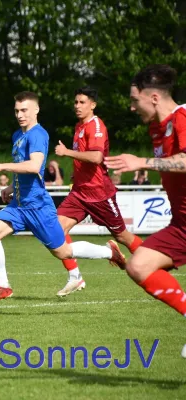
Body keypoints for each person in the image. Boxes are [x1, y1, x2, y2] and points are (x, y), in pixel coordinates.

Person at [0, 91, 127, 305]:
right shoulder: (17, 135)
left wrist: (0, 166)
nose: (20, 115)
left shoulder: (38, 135)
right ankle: (3, 286)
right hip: (19, 205)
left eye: (24, 110)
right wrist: (12, 187)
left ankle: (108, 252)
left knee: (63, 252)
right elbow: (25, 169)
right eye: (17, 111)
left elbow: (34, 166)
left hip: (38, 206)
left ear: (36, 110)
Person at [105, 64, 186, 356]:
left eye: (134, 100)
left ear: (153, 97)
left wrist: (142, 162)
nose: (131, 107)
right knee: (138, 266)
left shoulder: (183, 118)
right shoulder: (157, 127)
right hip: (182, 225)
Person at [53, 87, 144, 297]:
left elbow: (96, 157)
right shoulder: (79, 126)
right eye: (75, 102)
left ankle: (154, 264)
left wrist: (67, 152)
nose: (77, 106)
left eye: (82, 102)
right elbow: (85, 157)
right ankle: (75, 277)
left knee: (122, 236)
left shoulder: (96, 125)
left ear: (93, 105)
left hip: (99, 193)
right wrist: (77, 173)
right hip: (79, 193)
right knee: (55, 231)